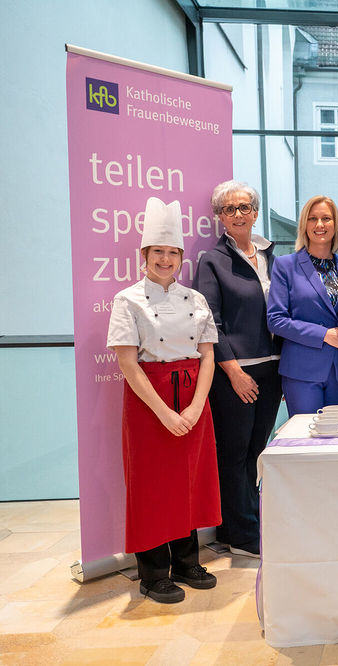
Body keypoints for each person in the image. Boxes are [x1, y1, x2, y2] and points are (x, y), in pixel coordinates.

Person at [106, 197, 220, 604]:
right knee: (153, 487)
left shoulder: (196, 299)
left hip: (193, 395)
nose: (166, 260)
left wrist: (193, 407)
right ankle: (153, 573)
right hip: (148, 401)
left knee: (189, 483)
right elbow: (128, 363)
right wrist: (165, 412)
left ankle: (188, 562)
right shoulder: (127, 300)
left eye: (173, 253)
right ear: (144, 255)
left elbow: (208, 356)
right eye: (159, 252)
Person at [193, 180, 281, 559]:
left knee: (256, 451)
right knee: (233, 454)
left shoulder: (270, 256)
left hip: (272, 369)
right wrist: (233, 372)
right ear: (219, 218)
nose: (238, 214)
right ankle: (242, 535)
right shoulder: (212, 262)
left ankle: (243, 524)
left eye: (244, 207)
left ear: (256, 212)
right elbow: (209, 321)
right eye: (229, 209)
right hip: (236, 373)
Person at [267, 195, 338, 415]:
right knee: (305, 442)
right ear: (304, 225)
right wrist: (324, 334)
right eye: (313, 218)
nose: (320, 225)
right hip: (301, 371)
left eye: (326, 218)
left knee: (336, 440)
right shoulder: (285, 265)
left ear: (336, 225)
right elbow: (276, 320)